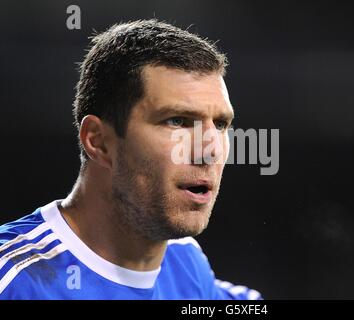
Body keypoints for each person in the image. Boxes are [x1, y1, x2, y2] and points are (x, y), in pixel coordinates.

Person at [0, 19, 261, 300]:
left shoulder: (184, 263)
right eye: (178, 121)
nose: (211, 150)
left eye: (220, 124)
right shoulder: (14, 280)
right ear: (98, 141)